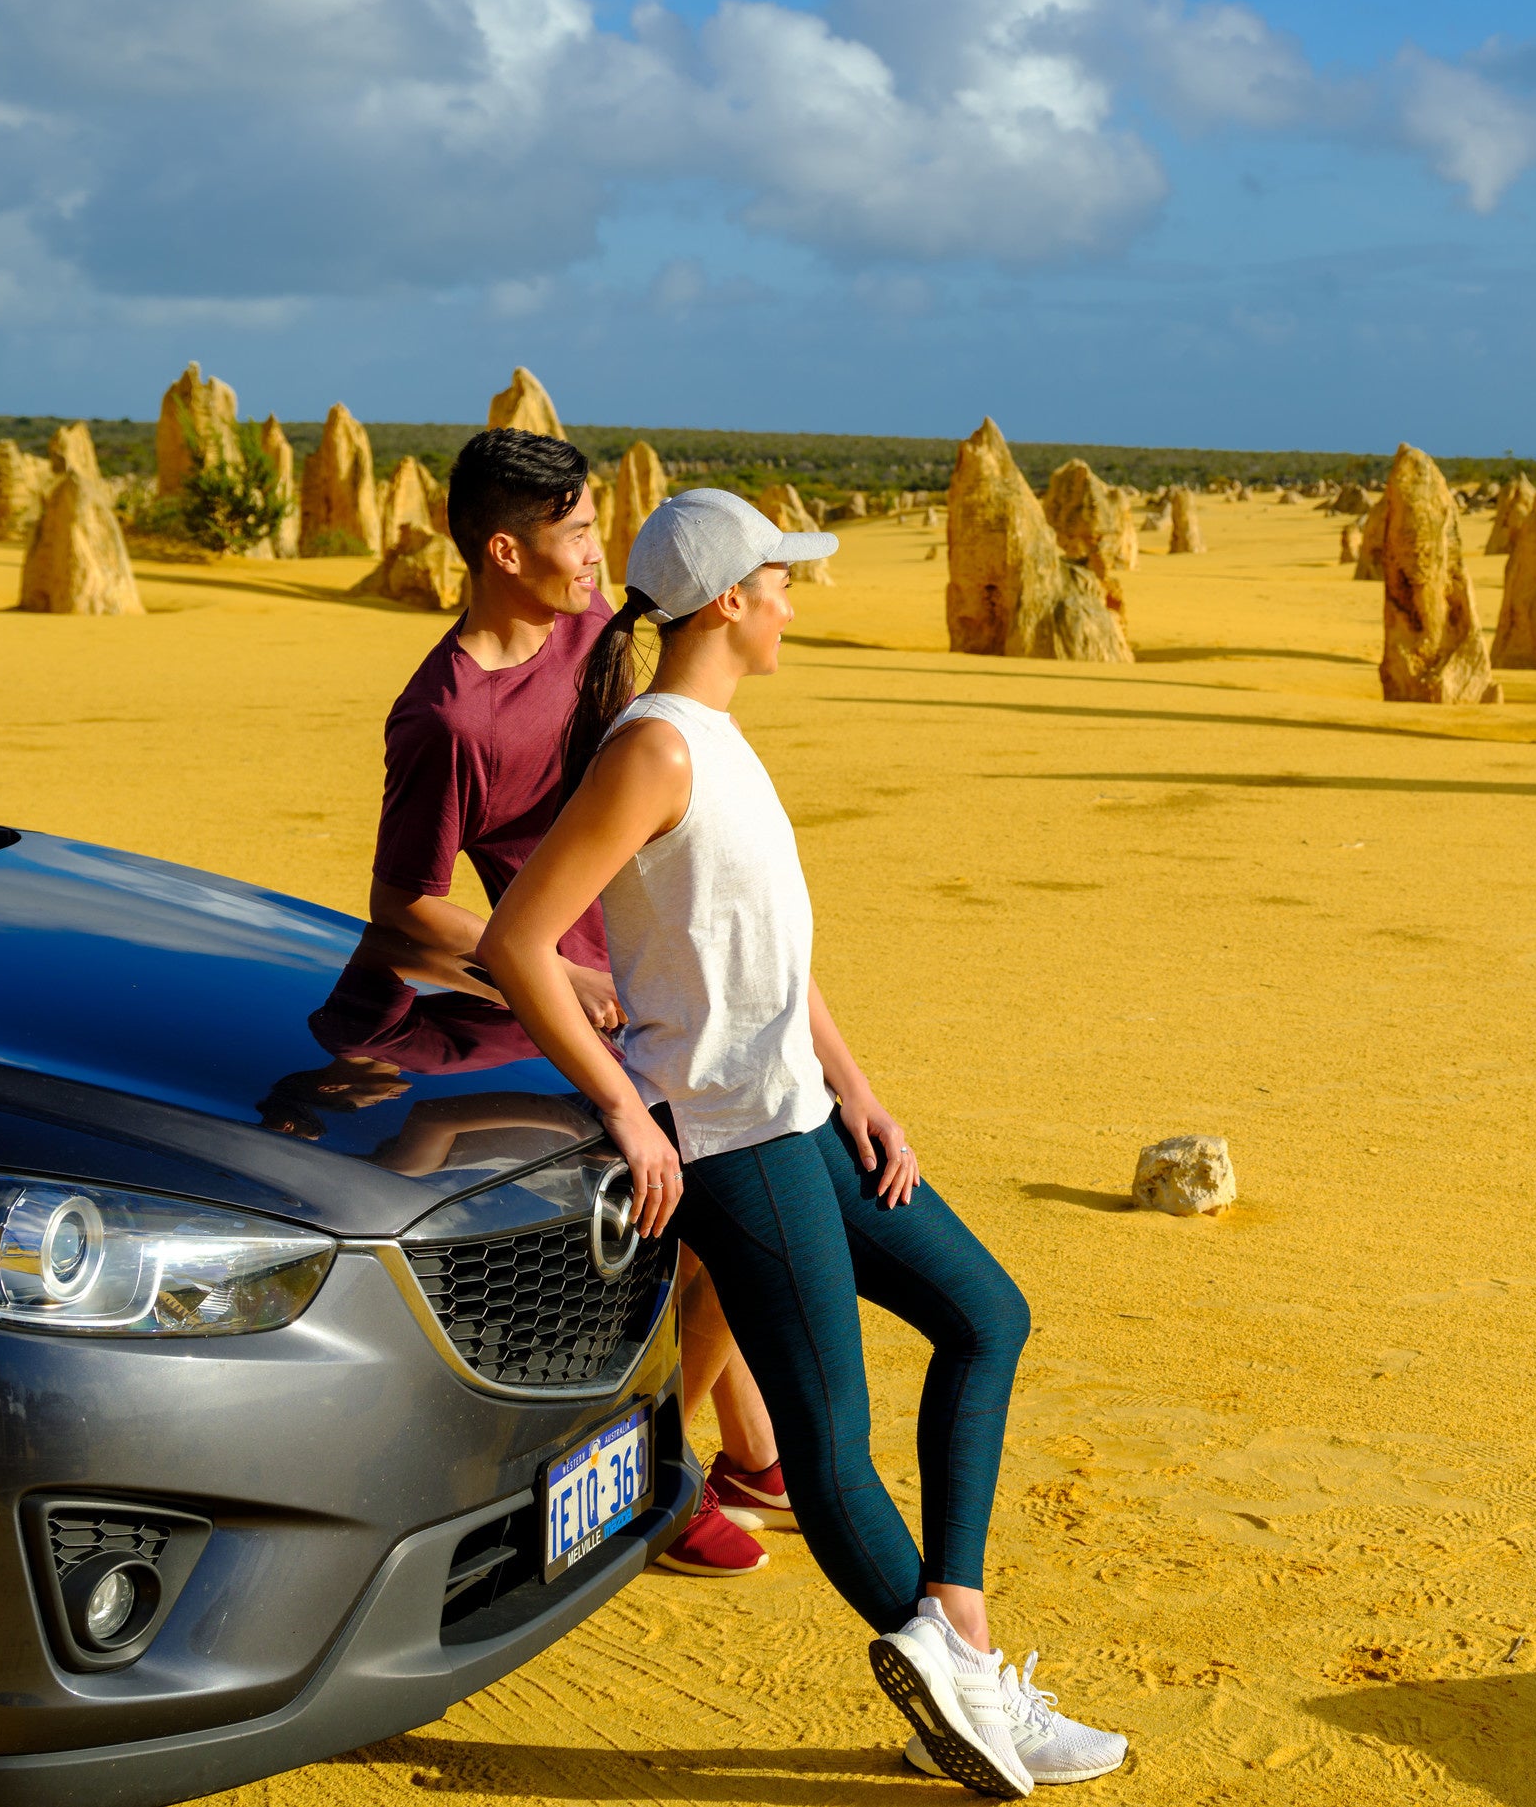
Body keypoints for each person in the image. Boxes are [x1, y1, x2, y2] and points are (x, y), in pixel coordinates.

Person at [480, 490, 1124, 1798]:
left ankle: (967, 1654)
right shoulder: (655, 751)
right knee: (827, 1443)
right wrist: (621, 1105)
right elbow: (518, 943)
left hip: (804, 1115)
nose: (792, 603)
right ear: (728, 600)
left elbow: (772, 953)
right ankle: (964, 1695)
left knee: (985, 1314)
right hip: (725, 1135)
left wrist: (858, 1084)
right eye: (780, 582)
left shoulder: (717, 739)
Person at [370, 428, 789, 1573]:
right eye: (578, 536)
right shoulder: (446, 717)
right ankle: (671, 1464)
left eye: (601, 530)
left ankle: (751, 1446)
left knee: (733, 1199)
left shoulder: (589, 634)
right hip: (549, 992)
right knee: (710, 1216)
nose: (600, 557)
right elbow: (404, 907)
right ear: (505, 550)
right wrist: (566, 969)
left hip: (639, 963)